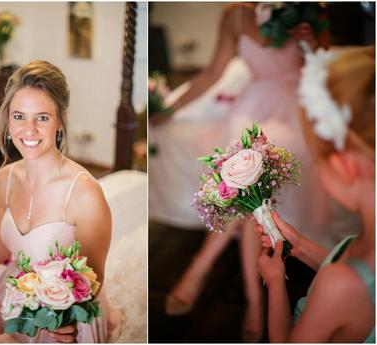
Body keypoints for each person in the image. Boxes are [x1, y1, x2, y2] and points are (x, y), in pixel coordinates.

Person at [154, 3, 334, 342]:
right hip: (252, 103)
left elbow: (324, 73)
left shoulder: (312, 10)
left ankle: (203, 269)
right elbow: (211, 73)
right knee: (246, 166)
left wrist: (312, 45)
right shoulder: (234, 14)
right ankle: (254, 300)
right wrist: (167, 111)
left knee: (254, 169)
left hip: (297, 103)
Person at [0, 61, 114, 343]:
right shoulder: (4, 179)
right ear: (8, 120)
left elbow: (92, 279)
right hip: (17, 297)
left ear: (60, 119)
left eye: (42, 117)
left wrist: (61, 321)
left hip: (67, 317)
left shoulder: (85, 193)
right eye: (19, 116)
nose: (28, 130)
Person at [257, 46, 375, 342]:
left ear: (344, 168)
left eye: (315, 159)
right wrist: (301, 247)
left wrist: (274, 283)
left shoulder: (339, 286)